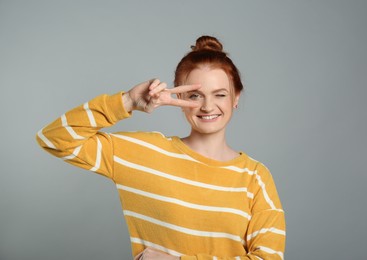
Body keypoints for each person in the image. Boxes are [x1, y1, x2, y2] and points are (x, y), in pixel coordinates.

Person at [36, 36, 286, 259]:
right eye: (195, 95)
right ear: (179, 98)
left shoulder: (255, 176)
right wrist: (128, 101)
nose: (208, 106)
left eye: (220, 94)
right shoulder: (144, 153)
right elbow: (54, 138)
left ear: (236, 98)